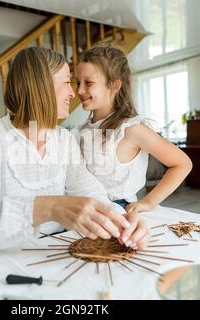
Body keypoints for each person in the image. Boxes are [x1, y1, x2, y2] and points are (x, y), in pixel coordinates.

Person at [0, 47, 151, 255]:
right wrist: (47, 207)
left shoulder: (63, 139)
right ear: (41, 86)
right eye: (68, 82)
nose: (73, 92)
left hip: (53, 251)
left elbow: (91, 192)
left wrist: (122, 221)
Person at [76, 46, 193, 250]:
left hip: (118, 213)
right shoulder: (83, 129)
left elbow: (182, 164)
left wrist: (148, 202)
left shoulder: (131, 130)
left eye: (88, 83)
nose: (79, 90)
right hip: (86, 211)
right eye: (78, 82)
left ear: (114, 85)